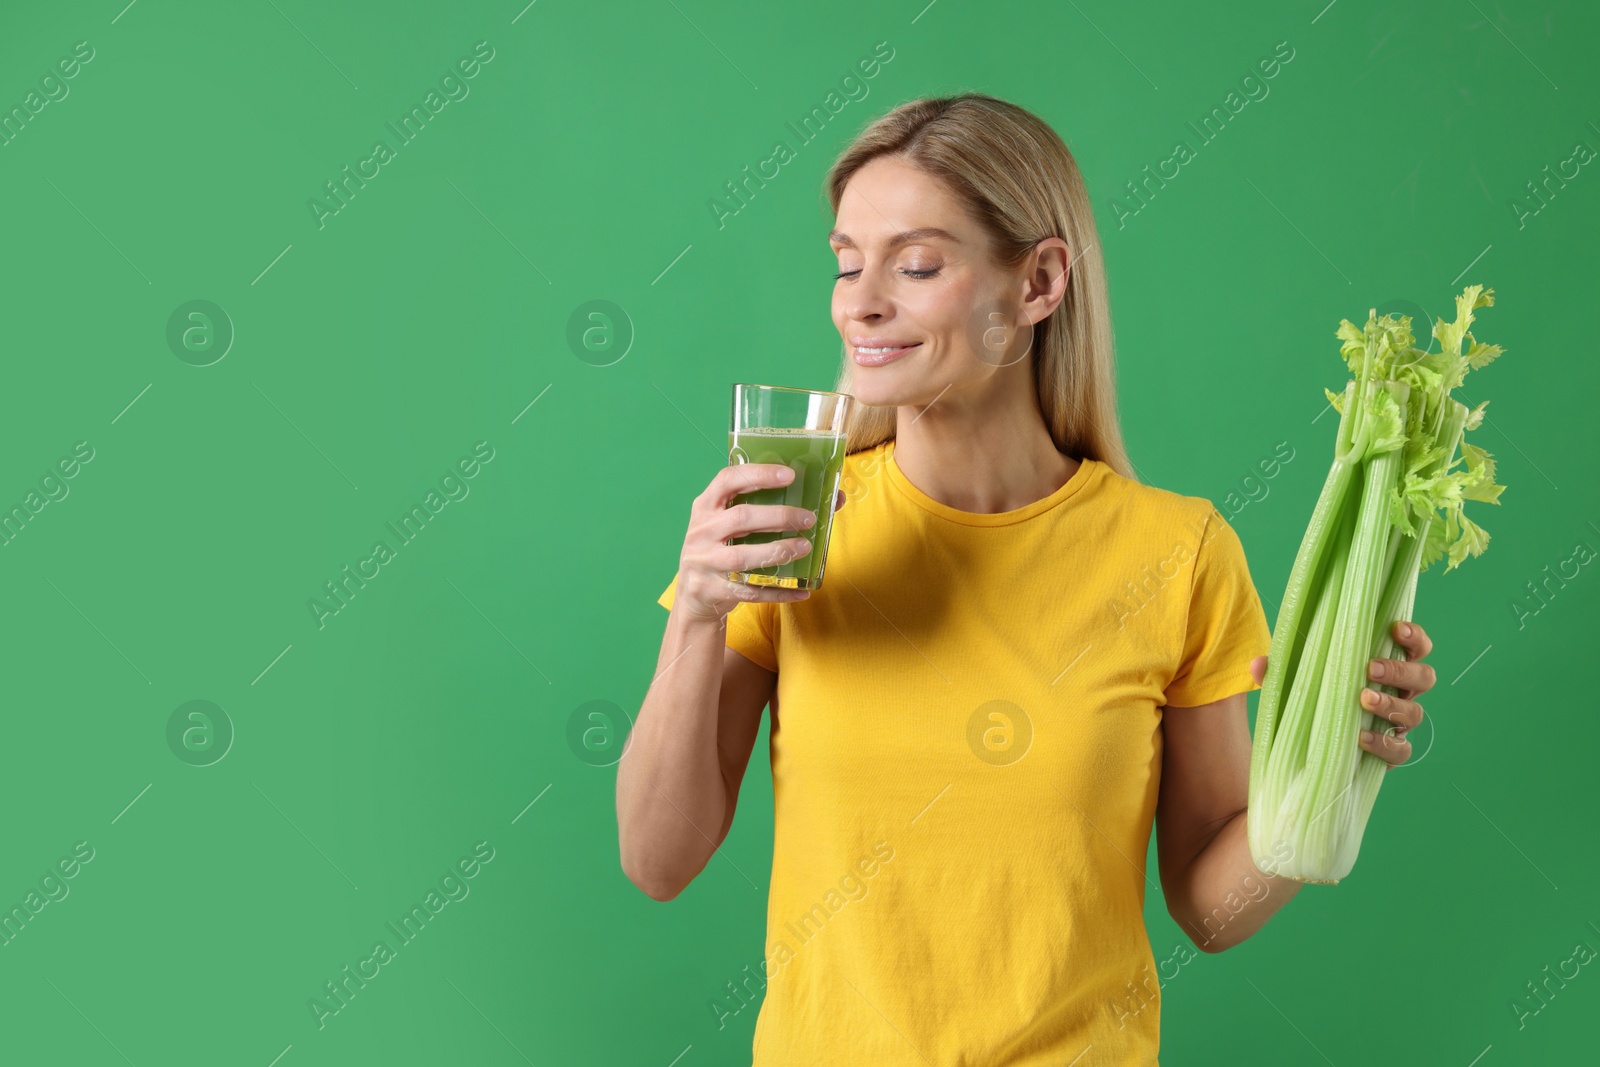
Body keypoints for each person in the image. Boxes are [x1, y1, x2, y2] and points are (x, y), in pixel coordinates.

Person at [616, 93, 1437, 1066]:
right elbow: (657, 861)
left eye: (915, 264)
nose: (860, 300)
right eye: (845, 262)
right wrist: (697, 613)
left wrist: (1330, 764)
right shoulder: (791, 533)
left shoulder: (1177, 555)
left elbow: (1209, 911)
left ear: (1040, 281)